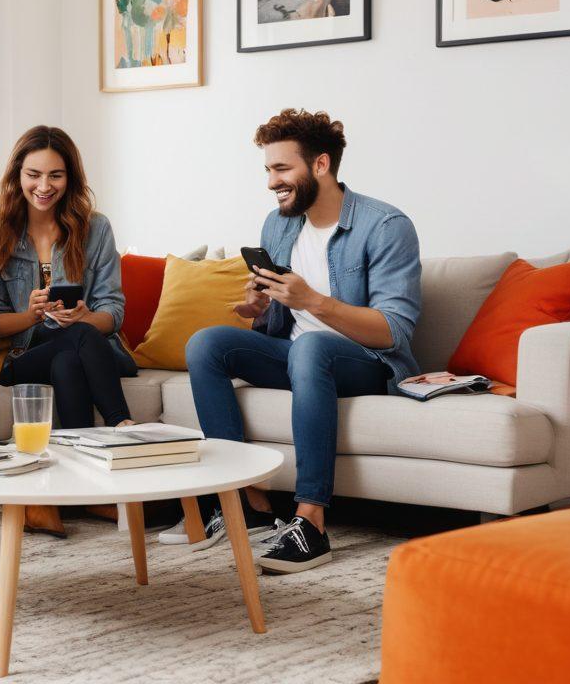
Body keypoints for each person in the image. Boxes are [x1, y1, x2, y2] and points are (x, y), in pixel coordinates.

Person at [161, 109, 421, 574]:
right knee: (207, 344)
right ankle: (246, 503)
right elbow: (280, 317)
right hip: (300, 358)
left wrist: (313, 302)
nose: (271, 182)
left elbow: (393, 331)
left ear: (320, 165)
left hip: (366, 362)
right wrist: (259, 307)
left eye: (282, 169)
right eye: (268, 169)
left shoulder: (385, 226)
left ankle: (311, 522)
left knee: (312, 346)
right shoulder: (278, 223)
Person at [0, 126, 137, 538]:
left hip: (81, 346)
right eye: (34, 175)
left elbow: (113, 312)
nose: (44, 186)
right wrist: (30, 316)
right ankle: (122, 428)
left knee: (70, 355)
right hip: (23, 356)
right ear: (17, 175)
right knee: (74, 343)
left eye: (56, 175)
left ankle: (76, 490)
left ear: (71, 178)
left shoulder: (95, 228)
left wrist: (84, 317)